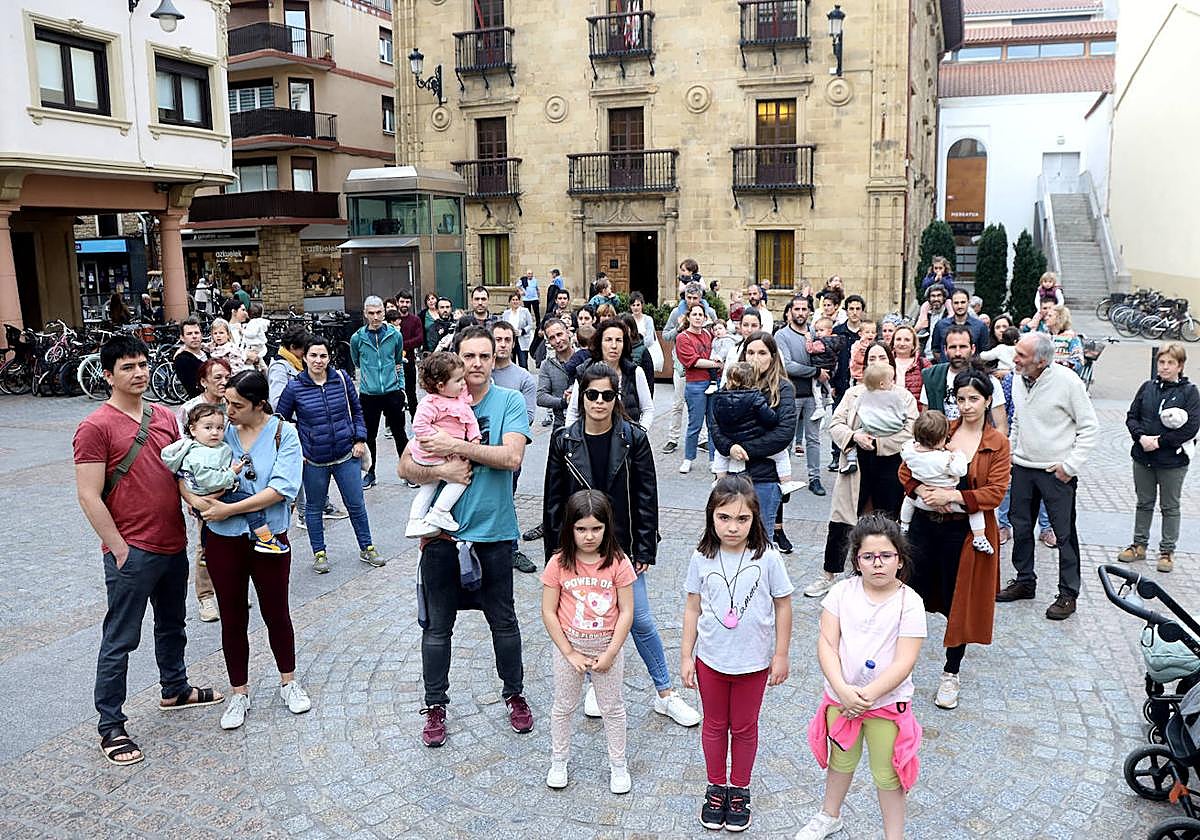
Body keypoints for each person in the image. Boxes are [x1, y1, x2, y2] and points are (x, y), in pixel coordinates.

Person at [76, 334, 227, 766]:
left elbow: (182, 470)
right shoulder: (95, 427)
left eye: (142, 365)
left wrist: (199, 503)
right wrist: (119, 549)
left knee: (172, 623)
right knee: (120, 638)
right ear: (108, 374)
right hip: (132, 549)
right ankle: (111, 725)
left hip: (171, 542)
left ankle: (174, 688)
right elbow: (88, 495)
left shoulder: (163, 415)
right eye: (127, 367)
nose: (139, 373)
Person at [544, 363, 702, 729]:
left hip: (622, 545)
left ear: (617, 398)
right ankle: (594, 684)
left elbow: (647, 495)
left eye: (607, 395)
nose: (599, 402)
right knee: (581, 620)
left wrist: (645, 547)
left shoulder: (633, 438)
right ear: (581, 397)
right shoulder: (564, 441)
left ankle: (665, 693)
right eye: (592, 395)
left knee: (640, 620)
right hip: (578, 547)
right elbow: (553, 499)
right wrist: (555, 550)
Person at [399, 326, 533, 747]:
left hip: (493, 533)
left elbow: (511, 457)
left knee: (504, 622)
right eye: (469, 356)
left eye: (484, 356)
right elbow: (405, 466)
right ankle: (434, 706)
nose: (476, 363)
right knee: (437, 628)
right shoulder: (436, 403)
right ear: (456, 359)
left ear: (495, 359)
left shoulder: (509, 401)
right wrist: (441, 469)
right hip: (441, 538)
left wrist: (454, 446)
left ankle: (515, 695)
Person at [180, 371, 307, 729]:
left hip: (270, 536)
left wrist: (228, 508)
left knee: (276, 611)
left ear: (259, 404)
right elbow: (187, 472)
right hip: (223, 537)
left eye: (237, 405)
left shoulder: (284, 434)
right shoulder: (219, 433)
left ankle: (289, 681)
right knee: (232, 616)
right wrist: (197, 502)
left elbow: (282, 488)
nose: (229, 411)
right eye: (227, 403)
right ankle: (239, 692)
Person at [796, 513, 925, 840]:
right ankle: (829, 815)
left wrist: (866, 696)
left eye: (886, 555)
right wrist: (843, 690)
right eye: (868, 556)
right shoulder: (841, 593)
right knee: (841, 760)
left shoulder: (910, 603)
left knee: (888, 772)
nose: (877, 563)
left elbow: (905, 660)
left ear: (899, 559)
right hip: (842, 699)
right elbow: (827, 644)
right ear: (856, 560)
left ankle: (894, 835)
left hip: (886, 705)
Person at [682, 476, 793, 833]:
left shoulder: (768, 556)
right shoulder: (702, 557)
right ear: (711, 517)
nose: (732, 527)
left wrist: (781, 654)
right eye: (724, 517)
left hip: (754, 662)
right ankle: (716, 786)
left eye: (742, 519)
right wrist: (687, 656)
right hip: (711, 660)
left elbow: (784, 604)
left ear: (755, 519)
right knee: (714, 725)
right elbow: (691, 607)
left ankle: (740, 788)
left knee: (744, 727)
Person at [900, 369, 1009, 711]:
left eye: (973, 399)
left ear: (988, 399)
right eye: (960, 399)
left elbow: (995, 492)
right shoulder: (941, 429)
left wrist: (952, 495)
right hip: (924, 526)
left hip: (962, 532)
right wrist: (923, 492)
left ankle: (951, 672)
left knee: (957, 603)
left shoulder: (997, 443)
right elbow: (906, 470)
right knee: (907, 595)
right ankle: (899, 668)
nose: (966, 406)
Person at [996, 332, 1098, 620]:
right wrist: (1011, 456)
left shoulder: (1068, 383)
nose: (1014, 359)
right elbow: (1018, 421)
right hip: (1024, 468)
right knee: (1021, 527)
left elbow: (1090, 428)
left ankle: (1068, 594)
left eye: (1021, 356)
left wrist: (1070, 466)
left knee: (1064, 535)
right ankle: (1025, 581)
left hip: (1056, 472)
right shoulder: (1017, 379)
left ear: (1041, 361)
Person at [541, 490, 636, 794]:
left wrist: (611, 652)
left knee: (612, 707)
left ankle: (618, 764)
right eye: (581, 529)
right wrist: (568, 651)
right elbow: (548, 610)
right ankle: (559, 760)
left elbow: (627, 611)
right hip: (570, 647)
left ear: (607, 527)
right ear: (570, 528)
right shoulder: (558, 563)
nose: (589, 536)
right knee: (564, 706)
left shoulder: (618, 562)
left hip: (607, 646)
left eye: (596, 528)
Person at [806, 342, 916, 599]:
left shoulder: (903, 396)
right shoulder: (853, 394)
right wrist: (854, 436)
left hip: (889, 465)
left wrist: (878, 443)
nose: (877, 362)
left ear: (890, 363)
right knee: (841, 521)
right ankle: (829, 575)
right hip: (855, 464)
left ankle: (885, 578)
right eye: (872, 358)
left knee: (886, 522)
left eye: (882, 358)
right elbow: (836, 424)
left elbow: (910, 431)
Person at [277, 336, 382, 573]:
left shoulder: (341, 379)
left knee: (356, 504)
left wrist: (360, 438)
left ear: (329, 357)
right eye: (313, 355)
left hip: (346, 454)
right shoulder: (295, 386)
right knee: (314, 507)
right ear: (304, 357)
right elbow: (280, 421)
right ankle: (319, 553)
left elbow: (356, 411)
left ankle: (367, 547)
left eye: (323, 355)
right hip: (314, 459)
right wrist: (297, 449)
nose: (318, 360)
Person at [163, 403, 287, 553]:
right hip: (211, 495)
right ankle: (266, 539)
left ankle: (205, 549)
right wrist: (231, 474)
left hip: (209, 495)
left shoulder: (209, 448)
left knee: (209, 525)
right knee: (250, 504)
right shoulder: (199, 454)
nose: (215, 432)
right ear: (193, 430)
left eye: (220, 428)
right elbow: (206, 479)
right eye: (208, 428)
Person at [1121, 342, 1200, 573]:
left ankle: (1167, 551)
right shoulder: (1147, 387)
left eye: (1170, 363)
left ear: (1180, 366)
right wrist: (1141, 437)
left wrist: (1159, 442)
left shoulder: (1189, 392)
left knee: (1170, 506)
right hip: (1143, 456)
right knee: (1144, 502)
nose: (1165, 367)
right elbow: (1132, 417)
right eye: (1162, 362)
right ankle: (1139, 544)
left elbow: (1191, 427)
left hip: (1172, 461)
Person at [710, 331, 798, 537]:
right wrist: (729, 447)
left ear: (773, 356)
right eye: (750, 352)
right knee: (729, 535)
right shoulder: (730, 385)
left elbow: (784, 433)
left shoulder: (783, 388)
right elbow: (715, 425)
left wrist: (745, 449)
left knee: (761, 537)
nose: (755, 358)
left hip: (764, 476)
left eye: (762, 353)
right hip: (732, 475)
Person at [404, 352, 481, 537]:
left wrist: (474, 438)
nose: (464, 383)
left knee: (428, 487)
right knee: (459, 479)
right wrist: (440, 438)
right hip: (433, 454)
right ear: (440, 385)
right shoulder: (430, 403)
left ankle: (415, 521)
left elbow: (470, 421)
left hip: (445, 452)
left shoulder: (460, 400)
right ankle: (439, 512)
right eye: (458, 380)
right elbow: (419, 425)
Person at [900, 410, 993, 553]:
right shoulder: (944, 459)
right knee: (973, 509)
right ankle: (979, 537)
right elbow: (961, 470)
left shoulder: (910, 452)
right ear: (941, 439)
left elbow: (904, 464)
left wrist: (919, 490)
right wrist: (956, 452)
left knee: (908, 500)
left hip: (922, 501)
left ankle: (904, 525)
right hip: (950, 502)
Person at [710, 361, 805, 495]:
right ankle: (786, 483)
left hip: (730, 438)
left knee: (720, 455)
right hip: (752, 436)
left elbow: (715, 422)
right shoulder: (755, 396)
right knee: (781, 456)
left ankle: (719, 481)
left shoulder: (719, 397)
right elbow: (769, 418)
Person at [350, 296, 408, 491]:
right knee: (369, 435)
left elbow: (398, 362)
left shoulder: (394, 335)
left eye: (379, 313)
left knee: (400, 433)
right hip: (369, 394)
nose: (375, 317)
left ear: (384, 312)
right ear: (365, 314)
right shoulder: (357, 338)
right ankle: (370, 472)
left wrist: (401, 387)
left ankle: (407, 471)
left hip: (392, 391)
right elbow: (357, 362)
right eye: (371, 313)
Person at [775, 294, 826, 495]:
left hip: (813, 394)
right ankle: (781, 477)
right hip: (791, 394)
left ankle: (815, 479)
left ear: (810, 312)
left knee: (813, 439)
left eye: (804, 309)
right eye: (797, 309)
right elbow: (787, 365)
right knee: (786, 438)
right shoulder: (782, 335)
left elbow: (825, 357)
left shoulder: (815, 333)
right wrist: (815, 371)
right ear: (789, 312)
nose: (801, 313)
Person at [563, 319, 655, 431]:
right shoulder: (585, 371)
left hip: (626, 440)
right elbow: (573, 411)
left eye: (619, 340)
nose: (614, 345)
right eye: (608, 340)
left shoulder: (635, 372)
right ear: (600, 343)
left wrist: (639, 434)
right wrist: (571, 438)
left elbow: (647, 409)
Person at [661, 283, 716, 454]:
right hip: (681, 367)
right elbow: (665, 335)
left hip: (703, 368)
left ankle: (703, 439)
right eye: (688, 298)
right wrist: (679, 327)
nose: (691, 301)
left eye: (695, 298)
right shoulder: (676, 313)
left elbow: (716, 334)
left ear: (701, 298)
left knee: (706, 407)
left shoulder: (710, 313)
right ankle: (673, 438)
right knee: (677, 404)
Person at [920, 326, 1007, 426]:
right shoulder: (933, 377)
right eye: (953, 347)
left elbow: (1001, 426)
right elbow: (925, 418)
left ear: (973, 349)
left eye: (963, 347)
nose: (957, 353)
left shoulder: (988, 380)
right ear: (945, 350)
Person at [676, 303, 721, 474]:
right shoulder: (683, 338)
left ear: (704, 317)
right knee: (694, 424)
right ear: (688, 317)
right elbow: (693, 362)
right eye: (694, 314)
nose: (697, 317)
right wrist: (716, 364)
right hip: (695, 384)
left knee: (713, 424)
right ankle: (688, 458)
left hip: (713, 383)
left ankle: (713, 459)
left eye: (700, 314)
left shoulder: (709, 335)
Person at [840, 364, 908, 475]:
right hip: (893, 429)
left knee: (854, 436)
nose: (893, 383)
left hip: (869, 431)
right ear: (882, 384)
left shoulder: (863, 395)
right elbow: (903, 412)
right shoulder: (894, 396)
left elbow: (856, 408)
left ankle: (851, 460)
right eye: (891, 380)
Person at [830, 295, 865, 469]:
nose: (854, 312)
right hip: (841, 383)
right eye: (851, 308)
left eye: (858, 308)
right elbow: (831, 358)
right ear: (846, 310)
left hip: (860, 384)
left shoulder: (867, 333)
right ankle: (836, 455)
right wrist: (831, 383)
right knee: (839, 419)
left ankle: (855, 453)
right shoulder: (838, 331)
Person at [535, 318, 575, 435]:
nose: (557, 340)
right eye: (552, 338)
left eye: (559, 334)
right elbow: (541, 397)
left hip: (586, 424)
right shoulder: (547, 365)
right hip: (560, 425)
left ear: (567, 332)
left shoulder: (584, 357)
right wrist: (563, 402)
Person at [930, 289, 989, 362]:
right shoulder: (940, 325)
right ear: (952, 304)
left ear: (968, 303)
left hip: (971, 370)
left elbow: (984, 352)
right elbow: (936, 350)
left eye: (963, 302)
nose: (959, 306)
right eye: (956, 303)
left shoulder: (980, 326)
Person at [395, 292, 425, 420]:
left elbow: (419, 339)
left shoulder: (415, 320)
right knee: (394, 394)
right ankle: (394, 422)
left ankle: (416, 419)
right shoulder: (391, 319)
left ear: (410, 303)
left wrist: (401, 344)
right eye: (402, 302)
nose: (404, 305)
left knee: (411, 393)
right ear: (397, 302)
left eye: (407, 302)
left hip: (409, 362)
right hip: (393, 363)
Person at [891, 325, 929, 405]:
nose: (902, 343)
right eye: (898, 339)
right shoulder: (886, 363)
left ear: (913, 345)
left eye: (907, 340)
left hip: (916, 413)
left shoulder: (924, 364)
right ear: (893, 343)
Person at [1044, 304, 1084, 375]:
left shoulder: (1071, 338)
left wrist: (1063, 364)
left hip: (1062, 375)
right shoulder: (1044, 336)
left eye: (1050, 316)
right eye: (1046, 315)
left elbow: (1078, 361)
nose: (1046, 318)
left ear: (1059, 318)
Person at [173, 318, 207, 398]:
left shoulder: (209, 353)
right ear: (182, 337)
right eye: (189, 334)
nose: (194, 336)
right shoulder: (182, 360)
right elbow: (193, 388)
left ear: (201, 335)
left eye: (196, 333)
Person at [501, 291, 535, 369]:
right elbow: (503, 326)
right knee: (510, 363)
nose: (515, 301)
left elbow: (530, 325)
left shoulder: (525, 311)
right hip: (510, 340)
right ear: (510, 301)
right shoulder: (506, 313)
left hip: (522, 340)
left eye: (517, 299)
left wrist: (522, 331)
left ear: (520, 301)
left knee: (523, 363)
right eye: (513, 300)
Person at [706, 320, 736, 395]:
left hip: (724, 360)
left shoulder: (728, 339)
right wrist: (711, 358)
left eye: (720, 328)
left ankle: (714, 384)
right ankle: (713, 383)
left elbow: (725, 350)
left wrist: (719, 357)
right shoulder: (715, 340)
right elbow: (713, 349)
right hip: (716, 360)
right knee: (711, 368)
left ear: (725, 329)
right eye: (715, 330)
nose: (718, 331)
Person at [847, 320, 878, 385]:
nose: (870, 334)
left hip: (872, 377)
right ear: (860, 334)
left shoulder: (876, 346)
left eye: (873, 332)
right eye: (867, 332)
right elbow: (856, 358)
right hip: (858, 377)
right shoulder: (857, 345)